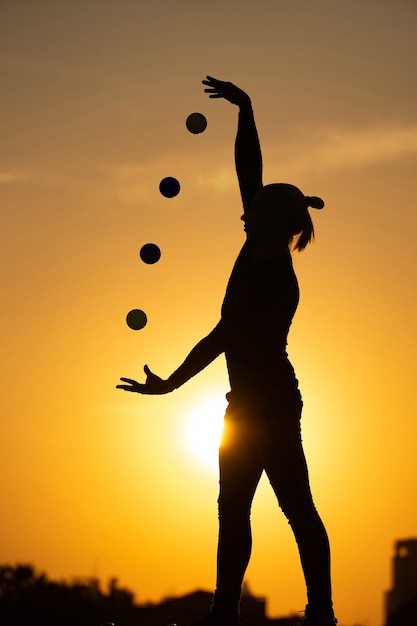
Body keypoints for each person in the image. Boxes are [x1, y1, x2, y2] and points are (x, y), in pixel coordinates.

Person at [117, 76, 337, 626]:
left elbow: (224, 337)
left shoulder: (274, 278)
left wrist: (169, 382)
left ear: (270, 220)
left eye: (252, 209)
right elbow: (250, 173)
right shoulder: (255, 243)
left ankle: (319, 612)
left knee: (294, 509)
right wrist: (246, 109)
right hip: (246, 403)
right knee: (234, 512)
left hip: (272, 406)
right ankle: (225, 613)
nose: (243, 211)